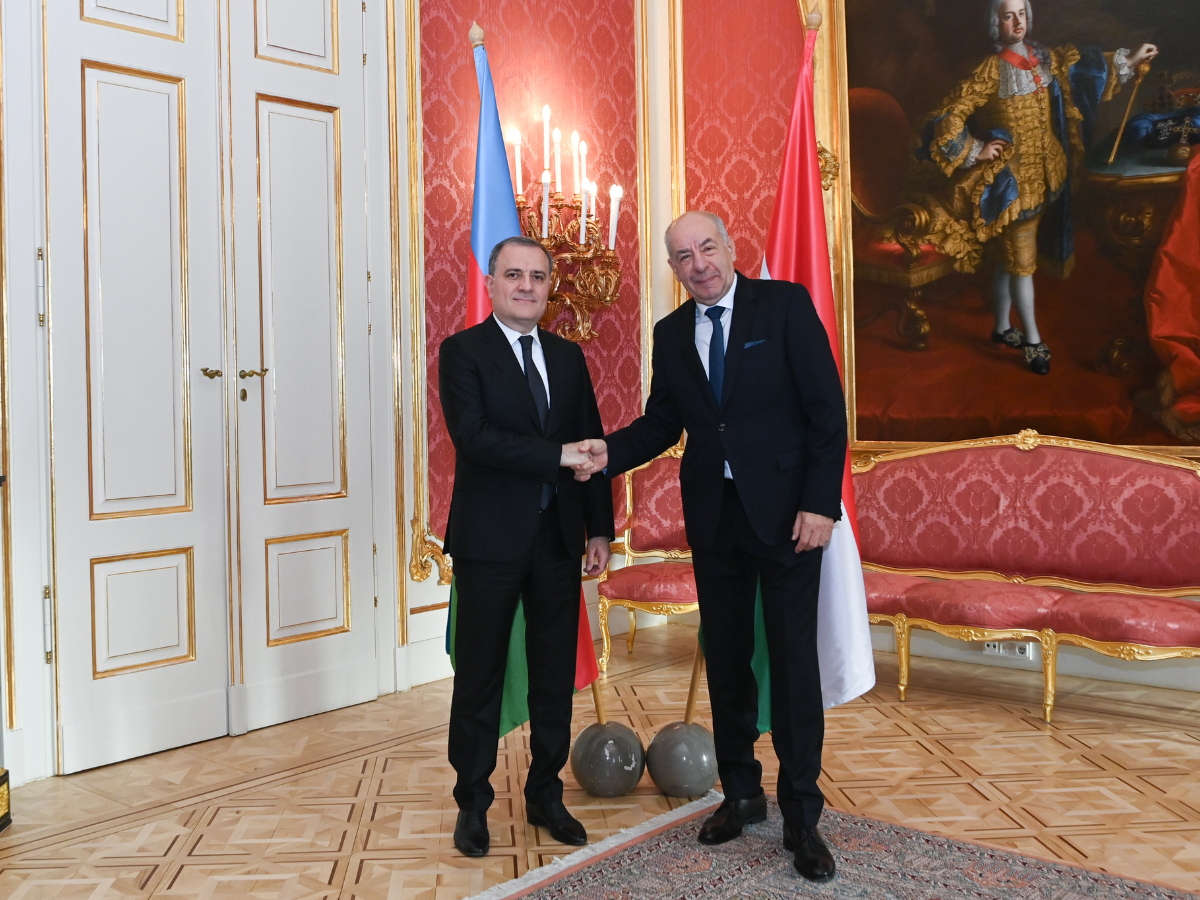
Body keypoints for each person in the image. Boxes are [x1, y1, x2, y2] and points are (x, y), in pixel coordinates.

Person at [572, 211, 847, 883]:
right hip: (716, 522)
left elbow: (826, 411)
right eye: (683, 257)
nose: (698, 264)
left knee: (792, 667)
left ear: (729, 247)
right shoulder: (671, 333)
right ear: (673, 269)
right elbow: (664, 423)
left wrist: (820, 504)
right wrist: (607, 453)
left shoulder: (783, 306)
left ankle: (802, 815)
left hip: (788, 519)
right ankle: (741, 794)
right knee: (725, 661)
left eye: (707, 248)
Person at [438, 235, 614, 858]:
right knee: (479, 676)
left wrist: (599, 528)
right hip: (489, 540)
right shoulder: (463, 352)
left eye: (537, 276)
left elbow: (591, 443)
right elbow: (474, 437)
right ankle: (472, 803)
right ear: (491, 283)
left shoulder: (568, 356)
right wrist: (556, 456)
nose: (526, 286)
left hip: (559, 540)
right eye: (514, 274)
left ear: (549, 287)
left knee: (553, 675)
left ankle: (546, 793)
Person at [921, 0, 1157, 374]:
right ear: (995, 23)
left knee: (1011, 259)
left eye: (1021, 14)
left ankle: (1002, 328)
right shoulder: (989, 70)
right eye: (1007, 15)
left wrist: (1130, 57)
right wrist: (975, 149)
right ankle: (1032, 341)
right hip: (1012, 188)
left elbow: (1087, 72)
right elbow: (948, 114)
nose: (1016, 22)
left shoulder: (1046, 59)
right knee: (1022, 264)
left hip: (1047, 175)